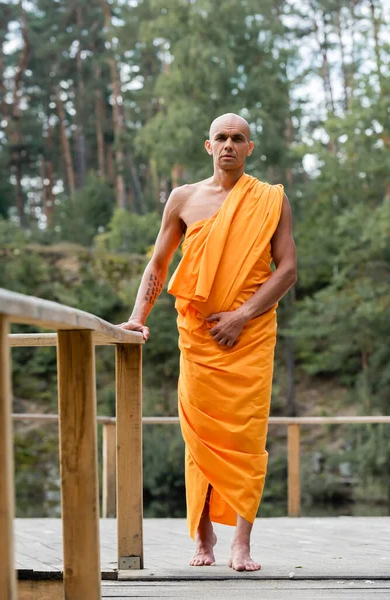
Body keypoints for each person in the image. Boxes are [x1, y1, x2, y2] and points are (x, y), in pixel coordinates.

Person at [119, 113, 297, 571]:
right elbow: (158, 265)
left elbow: (287, 270)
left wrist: (241, 316)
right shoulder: (184, 199)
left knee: (246, 435)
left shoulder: (271, 200)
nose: (229, 145)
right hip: (198, 337)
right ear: (208, 145)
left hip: (250, 335)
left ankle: (242, 544)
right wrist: (137, 317)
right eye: (221, 137)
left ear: (250, 148)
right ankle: (203, 536)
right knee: (198, 437)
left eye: (238, 138)